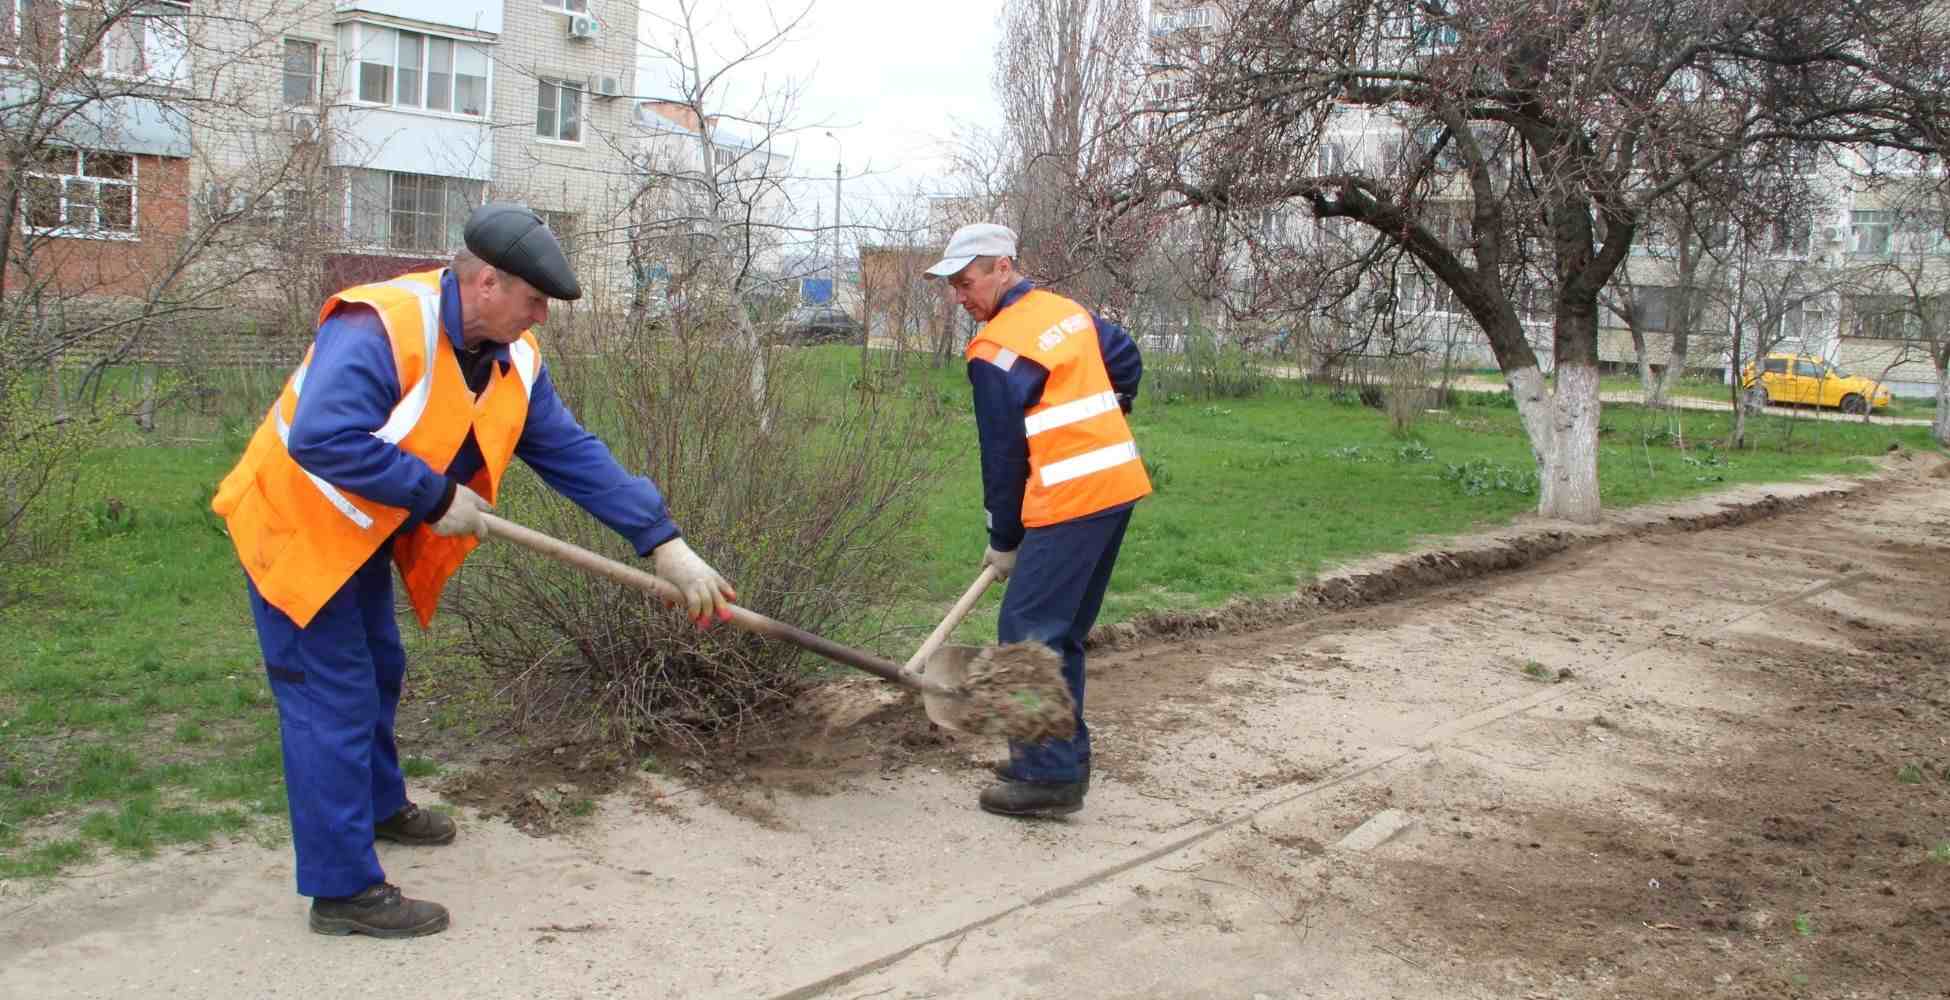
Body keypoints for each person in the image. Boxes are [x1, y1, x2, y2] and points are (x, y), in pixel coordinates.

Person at [210, 203, 737, 938]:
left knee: (379, 668)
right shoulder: (381, 324)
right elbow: (321, 436)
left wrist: (662, 542)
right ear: (486, 282)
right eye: (533, 300)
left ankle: (378, 806)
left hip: (363, 532)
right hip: (296, 528)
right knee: (330, 697)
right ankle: (342, 891)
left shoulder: (512, 360)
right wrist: (431, 495)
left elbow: (571, 453)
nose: (541, 317)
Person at [926, 223, 1151, 818]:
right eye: (952, 287)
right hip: (1116, 487)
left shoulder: (996, 350)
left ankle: (1045, 775)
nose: (960, 297)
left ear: (1002, 267)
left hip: (1071, 499)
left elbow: (1002, 457)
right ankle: (1060, 758)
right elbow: (1125, 359)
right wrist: (1109, 404)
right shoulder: (1065, 313)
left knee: (1026, 631)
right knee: (1060, 632)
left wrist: (1004, 540)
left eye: (966, 282)